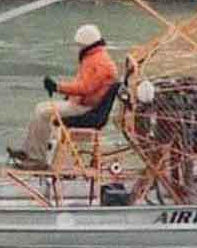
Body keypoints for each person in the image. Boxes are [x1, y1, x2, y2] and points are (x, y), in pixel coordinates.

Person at [7, 24, 118, 170]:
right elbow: (83, 84)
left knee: (43, 113)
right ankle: (29, 151)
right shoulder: (95, 57)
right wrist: (65, 91)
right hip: (82, 104)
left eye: (79, 45)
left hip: (85, 109)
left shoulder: (99, 62)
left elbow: (85, 88)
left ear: (86, 44)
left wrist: (58, 87)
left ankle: (36, 159)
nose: (78, 48)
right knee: (40, 107)